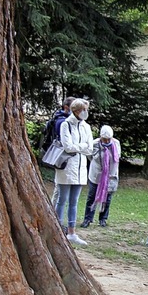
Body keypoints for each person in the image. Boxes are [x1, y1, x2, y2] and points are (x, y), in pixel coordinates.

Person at [55, 98, 93, 246]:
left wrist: (79, 146)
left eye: (86, 109)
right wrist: (81, 147)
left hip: (80, 168)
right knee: (62, 199)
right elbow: (67, 146)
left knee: (74, 201)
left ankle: (72, 232)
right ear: (76, 110)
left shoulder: (86, 127)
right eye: (83, 109)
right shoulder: (66, 125)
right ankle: (58, 229)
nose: (85, 112)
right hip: (67, 167)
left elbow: (90, 148)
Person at [81, 125, 121, 228]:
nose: (107, 142)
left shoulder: (116, 144)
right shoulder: (94, 144)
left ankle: (103, 219)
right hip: (96, 175)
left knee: (107, 198)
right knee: (92, 196)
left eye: (109, 139)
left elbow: (117, 158)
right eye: (105, 139)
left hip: (110, 176)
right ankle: (88, 218)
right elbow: (90, 156)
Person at [50, 96, 76, 207]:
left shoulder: (63, 119)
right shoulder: (62, 121)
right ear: (66, 107)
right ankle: (53, 213)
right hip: (61, 156)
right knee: (59, 187)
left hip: (65, 157)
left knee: (60, 187)